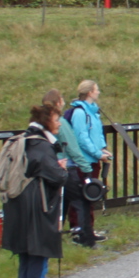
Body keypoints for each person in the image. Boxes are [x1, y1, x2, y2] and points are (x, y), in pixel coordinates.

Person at [2, 103, 67, 278]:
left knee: (25, 254)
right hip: (36, 207)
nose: (59, 123)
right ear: (47, 120)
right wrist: (61, 168)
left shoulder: (23, 140)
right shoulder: (41, 146)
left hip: (17, 205)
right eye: (57, 119)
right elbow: (58, 176)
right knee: (38, 252)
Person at [43, 88, 96, 244]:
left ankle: (53, 237)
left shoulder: (42, 122)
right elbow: (72, 148)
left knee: (58, 204)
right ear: (59, 102)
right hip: (66, 166)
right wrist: (86, 168)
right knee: (80, 201)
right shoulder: (61, 123)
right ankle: (85, 237)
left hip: (49, 167)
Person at [65, 80, 111, 248]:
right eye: (96, 89)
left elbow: (94, 135)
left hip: (92, 159)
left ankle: (88, 230)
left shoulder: (91, 112)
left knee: (90, 195)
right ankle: (78, 231)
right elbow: (82, 138)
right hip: (83, 162)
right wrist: (98, 153)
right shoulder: (80, 113)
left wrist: (102, 150)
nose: (98, 92)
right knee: (82, 195)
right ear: (90, 92)